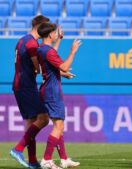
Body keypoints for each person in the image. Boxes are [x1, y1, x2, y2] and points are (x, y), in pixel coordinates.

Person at [37, 22, 81, 169]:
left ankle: (64, 159)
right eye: (55, 33)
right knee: (59, 125)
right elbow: (64, 66)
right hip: (52, 91)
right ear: (50, 34)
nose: (56, 34)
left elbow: (53, 62)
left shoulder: (42, 49)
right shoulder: (48, 52)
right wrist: (73, 51)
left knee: (58, 125)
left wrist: (59, 40)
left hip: (46, 88)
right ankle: (46, 159)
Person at [10, 15, 50, 169]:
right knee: (44, 118)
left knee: (31, 122)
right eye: (45, 27)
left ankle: (32, 161)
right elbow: (37, 68)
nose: (46, 30)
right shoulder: (32, 44)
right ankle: (18, 149)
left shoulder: (22, 40)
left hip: (21, 84)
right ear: (39, 26)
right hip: (26, 86)